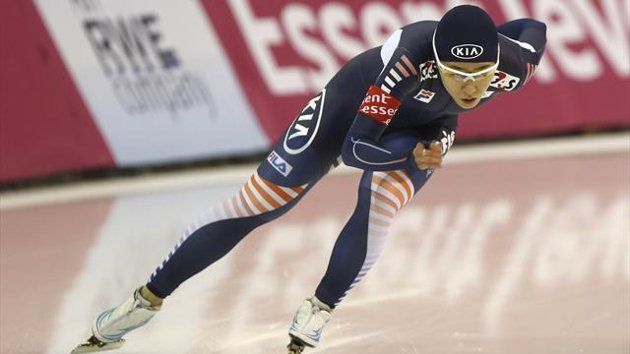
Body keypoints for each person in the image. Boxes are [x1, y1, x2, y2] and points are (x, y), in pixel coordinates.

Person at [72, 5, 546, 354]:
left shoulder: (515, 66)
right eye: (454, 74)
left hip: (424, 129)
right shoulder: (405, 61)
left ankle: (317, 312)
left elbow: (533, 29)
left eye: (479, 75)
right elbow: (353, 149)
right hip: (349, 114)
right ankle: (143, 302)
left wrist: (427, 149)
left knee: (381, 206)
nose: (468, 87)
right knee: (259, 201)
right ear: (434, 61)